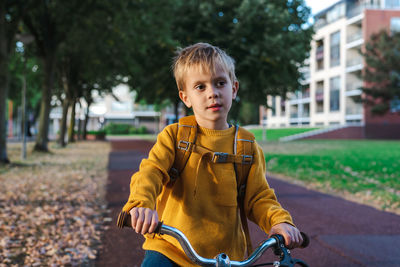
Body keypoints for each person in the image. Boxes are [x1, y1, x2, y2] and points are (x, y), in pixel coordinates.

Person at [121, 43, 303, 266]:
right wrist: (141, 204)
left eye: (220, 83)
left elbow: (259, 197)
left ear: (233, 88)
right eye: (200, 87)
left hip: (225, 256)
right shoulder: (175, 137)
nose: (212, 93)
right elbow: (151, 172)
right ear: (185, 97)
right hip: (170, 248)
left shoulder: (246, 146)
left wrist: (279, 222)